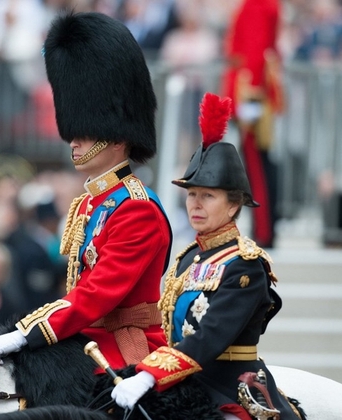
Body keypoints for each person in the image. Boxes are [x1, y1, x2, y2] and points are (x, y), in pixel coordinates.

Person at [0, 11, 173, 370]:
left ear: (117, 136)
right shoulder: (90, 202)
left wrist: (28, 332)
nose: (74, 140)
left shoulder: (137, 209)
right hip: (85, 340)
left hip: (124, 350)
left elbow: (95, 295)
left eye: (84, 131)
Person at [110, 93, 303, 420]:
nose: (195, 204)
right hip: (183, 381)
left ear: (233, 205)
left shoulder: (245, 264)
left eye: (208, 196)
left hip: (232, 388)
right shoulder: (188, 258)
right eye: (192, 195)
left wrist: (149, 373)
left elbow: (211, 334)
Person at [222, 0, 283, 248]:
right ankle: (264, 226)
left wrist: (249, 100)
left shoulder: (257, 5)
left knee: (256, 165)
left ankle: (264, 229)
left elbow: (254, 52)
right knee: (258, 162)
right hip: (253, 91)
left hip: (250, 93)